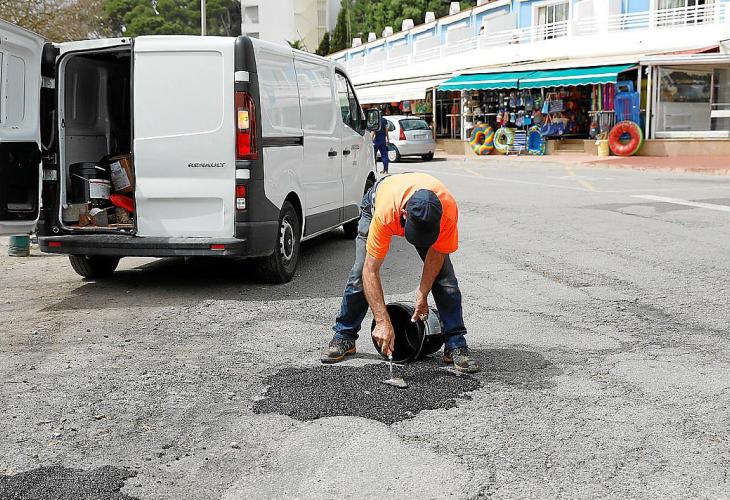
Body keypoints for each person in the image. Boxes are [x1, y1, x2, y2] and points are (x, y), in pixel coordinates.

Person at [322, 172, 479, 373]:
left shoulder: (447, 212)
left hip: (413, 202)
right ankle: (344, 335)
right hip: (377, 201)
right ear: (405, 214)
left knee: (445, 280)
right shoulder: (386, 213)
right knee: (359, 273)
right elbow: (371, 270)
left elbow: (436, 257)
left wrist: (422, 295)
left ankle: (455, 344)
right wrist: (382, 321)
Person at [372, 110, 390, 174]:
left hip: (376, 140)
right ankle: (386, 170)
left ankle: (374, 170)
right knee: (384, 155)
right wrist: (388, 139)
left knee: (373, 155)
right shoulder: (384, 120)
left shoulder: (375, 121)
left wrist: (371, 139)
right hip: (383, 140)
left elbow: (374, 131)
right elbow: (386, 130)